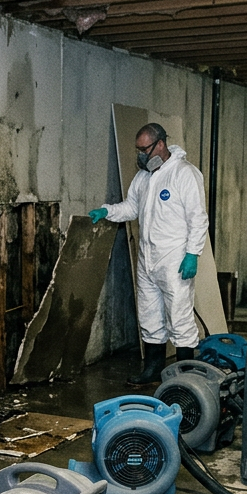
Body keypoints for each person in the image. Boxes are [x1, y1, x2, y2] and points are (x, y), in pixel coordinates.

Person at [90, 122, 210, 386]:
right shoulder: (144, 177)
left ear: (160, 144)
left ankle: (183, 377)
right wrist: (107, 211)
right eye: (138, 150)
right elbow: (132, 207)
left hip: (175, 259)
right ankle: (152, 370)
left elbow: (198, 219)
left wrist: (193, 254)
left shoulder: (184, 174)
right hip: (147, 259)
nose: (141, 156)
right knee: (150, 316)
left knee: (179, 319)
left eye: (144, 149)